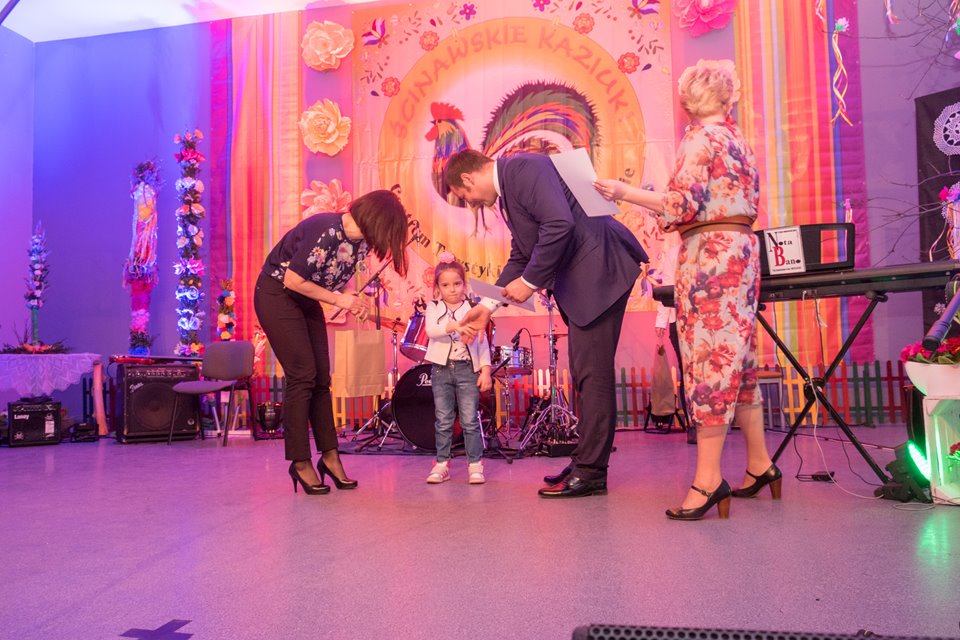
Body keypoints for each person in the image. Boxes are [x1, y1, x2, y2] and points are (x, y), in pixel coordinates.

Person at [594, 59, 779, 520]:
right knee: (740, 362)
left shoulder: (699, 139)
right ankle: (760, 464)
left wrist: (622, 191)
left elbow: (680, 205)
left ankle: (708, 480)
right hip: (742, 251)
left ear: (688, 102)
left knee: (710, 361)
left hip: (711, 256)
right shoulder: (738, 141)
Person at [445, 148, 648, 498]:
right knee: (584, 374)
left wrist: (529, 282)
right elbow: (523, 254)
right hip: (589, 278)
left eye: (464, 195)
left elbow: (559, 224)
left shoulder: (522, 167)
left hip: (601, 271)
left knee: (592, 376)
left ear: (467, 178)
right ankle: (586, 461)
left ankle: (592, 472)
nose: (471, 203)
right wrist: (487, 307)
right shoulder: (510, 189)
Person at [254, 190, 409, 495]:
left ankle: (330, 456)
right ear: (377, 221)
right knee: (303, 375)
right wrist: (340, 300)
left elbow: (332, 278)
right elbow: (293, 280)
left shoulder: (360, 243)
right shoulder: (324, 229)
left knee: (321, 379)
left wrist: (354, 298)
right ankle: (300, 461)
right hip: (276, 294)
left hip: (305, 297)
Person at [422, 254, 493, 484]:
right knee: (443, 420)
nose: (452, 289)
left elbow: (482, 343)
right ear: (437, 287)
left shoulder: (472, 308)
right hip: (441, 370)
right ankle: (442, 464)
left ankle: (475, 465)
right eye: (445, 285)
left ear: (464, 284)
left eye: (457, 283)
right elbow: (432, 331)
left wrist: (485, 370)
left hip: (467, 370)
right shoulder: (433, 307)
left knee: (470, 420)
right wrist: (455, 326)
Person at [654, 241, 694, 444]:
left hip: (706, 315)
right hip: (679, 319)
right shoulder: (673, 252)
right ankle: (692, 424)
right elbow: (668, 285)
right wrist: (662, 319)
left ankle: (715, 423)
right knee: (687, 371)